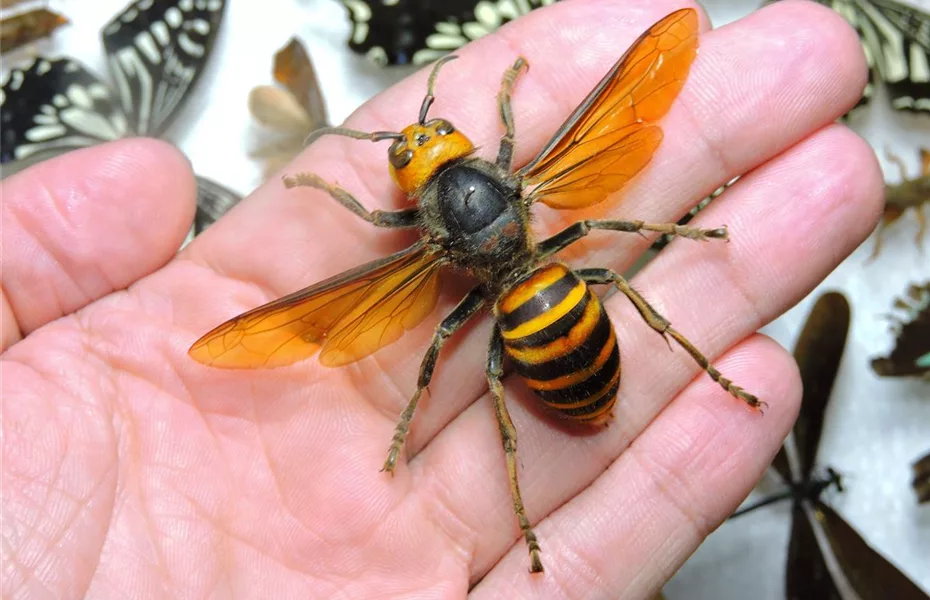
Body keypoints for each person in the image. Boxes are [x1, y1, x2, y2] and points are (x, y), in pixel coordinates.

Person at [0, 1, 882, 597]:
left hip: (532, 326)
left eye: (426, 137)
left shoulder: (422, 249)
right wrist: (689, 230)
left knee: (487, 374)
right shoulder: (519, 177)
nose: (424, 139)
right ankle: (699, 367)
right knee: (615, 278)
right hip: (554, 301)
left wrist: (331, 196)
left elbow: (405, 306)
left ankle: (527, 506)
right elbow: (544, 155)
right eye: (413, 145)